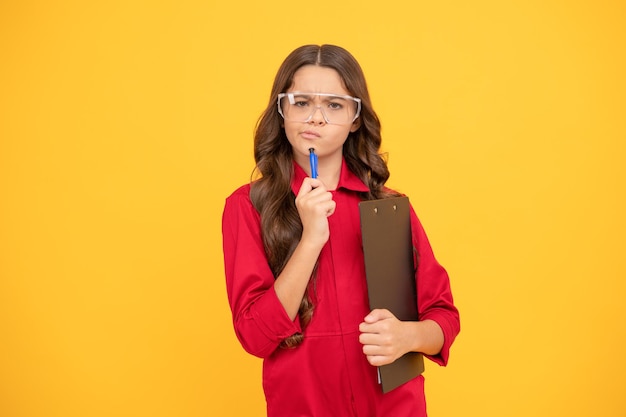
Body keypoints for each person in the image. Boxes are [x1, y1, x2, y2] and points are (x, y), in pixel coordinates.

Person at [222, 44, 460, 417]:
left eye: (334, 105)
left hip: (394, 406)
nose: (315, 117)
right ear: (281, 111)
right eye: (301, 102)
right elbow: (255, 335)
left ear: (355, 118)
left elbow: (444, 316)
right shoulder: (248, 206)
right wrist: (311, 239)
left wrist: (408, 336)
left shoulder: (389, 206)